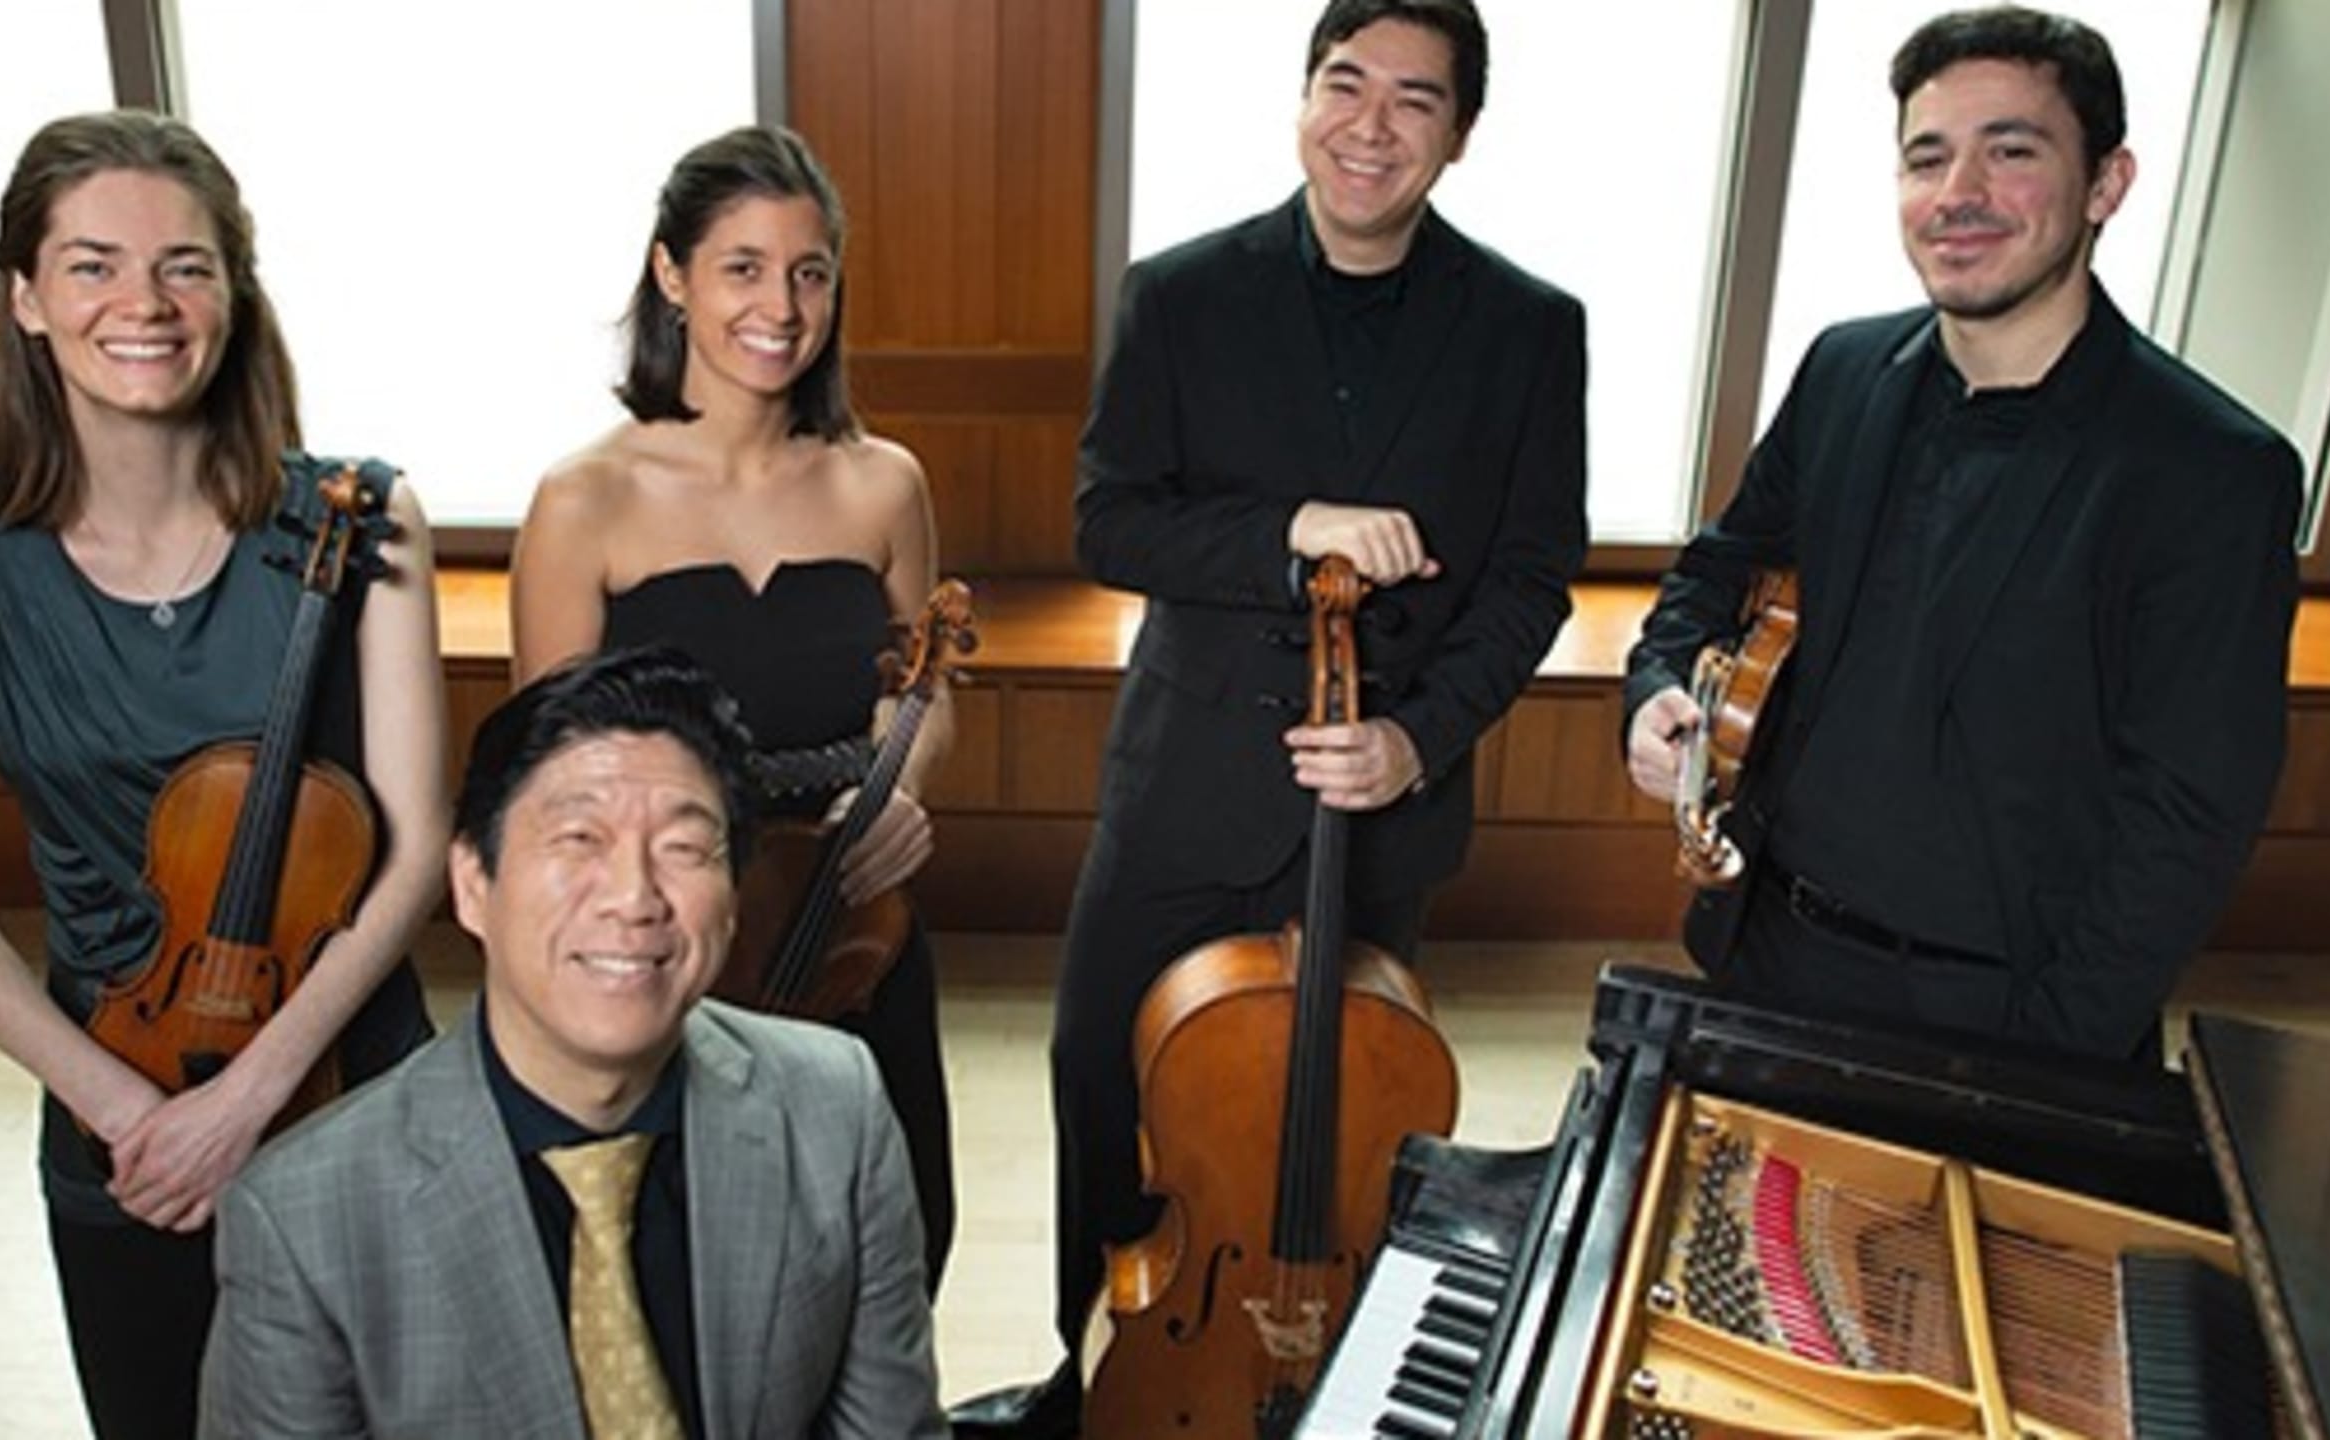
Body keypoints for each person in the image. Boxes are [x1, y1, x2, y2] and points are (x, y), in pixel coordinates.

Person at [952, 1, 1589, 1431]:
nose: (1371, 125)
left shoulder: (1532, 329)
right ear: (1303, 100)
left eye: (1415, 100)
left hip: (1379, 797)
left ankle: (1307, 1382)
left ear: (1461, 135)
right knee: (1097, 1077)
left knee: (1338, 1128)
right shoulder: (1179, 294)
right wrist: (1289, 529)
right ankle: (1099, 1376)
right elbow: (1110, 523)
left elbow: (1534, 576)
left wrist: (1416, 741)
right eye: (1344, 85)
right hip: (1184, 786)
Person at [0, 111, 445, 1437]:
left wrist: (248, 1096)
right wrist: (137, 1115)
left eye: (186, 266)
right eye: (92, 264)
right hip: (114, 1110)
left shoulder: (363, 518)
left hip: (350, 1082)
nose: (143, 303)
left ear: (234, 294)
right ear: (26, 296)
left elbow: (417, 848)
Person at [1624, 6, 2300, 1063]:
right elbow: (1714, 570)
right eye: (1926, 158)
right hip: (1767, 953)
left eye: (2011, 152)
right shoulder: (1842, 371)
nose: (1958, 194)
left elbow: (2189, 811)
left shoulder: (2212, 468)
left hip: (2006, 1013)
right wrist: (1658, 687)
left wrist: (2051, 1052)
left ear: (2106, 184)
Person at [197, 646, 948, 1439]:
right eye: (579, 840)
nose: (633, 897)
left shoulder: (837, 1110)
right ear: (472, 886)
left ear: (733, 899)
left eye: (683, 848)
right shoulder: (303, 1219)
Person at [509, 123, 956, 1292]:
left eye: (810, 273)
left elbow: (922, 690)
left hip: (853, 916)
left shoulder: (882, 483)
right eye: (742, 268)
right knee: (692, 1268)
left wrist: (899, 784)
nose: (781, 307)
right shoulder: (584, 500)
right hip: (664, 932)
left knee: (896, 1237)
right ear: (672, 275)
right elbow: (549, 773)